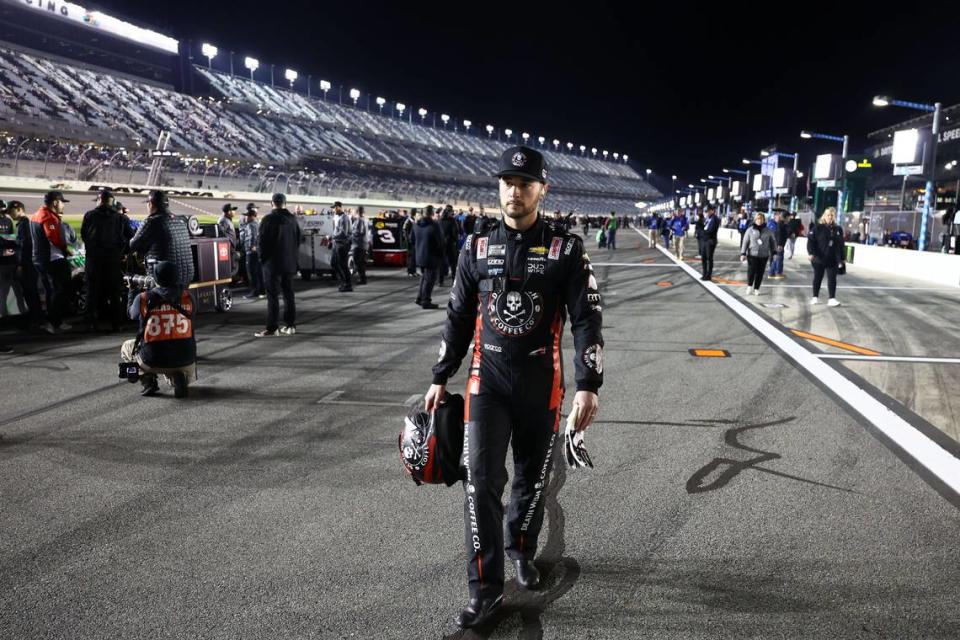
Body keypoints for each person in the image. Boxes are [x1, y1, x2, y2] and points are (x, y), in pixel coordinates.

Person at [424, 145, 603, 629]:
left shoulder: (567, 249)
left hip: (542, 382)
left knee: (531, 478)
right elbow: (458, 317)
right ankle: (484, 590)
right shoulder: (475, 248)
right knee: (480, 480)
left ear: (542, 189)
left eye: (525, 184)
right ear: (498, 188)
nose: (514, 192)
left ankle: (521, 548)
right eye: (507, 183)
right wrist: (441, 376)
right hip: (488, 381)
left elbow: (586, 319)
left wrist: (588, 384)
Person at [120, 260, 195, 398]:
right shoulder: (188, 297)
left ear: (155, 277)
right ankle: (177, 378)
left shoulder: (143, 298)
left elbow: (131, 314)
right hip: (187, 359)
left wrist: (131, 290)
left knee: (126, 347)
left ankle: (147, 381)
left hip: (152, 360)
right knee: (172, 349)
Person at [81, 189, 133, 332]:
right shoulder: (120, 218)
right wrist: (122, 251)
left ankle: (90, 323)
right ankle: (117, 324)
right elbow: (131, 237)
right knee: (114, 293)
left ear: (99, 200)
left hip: (93, 260)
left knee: (91, 292)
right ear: (112, 202)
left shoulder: (89, 216)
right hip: (113, 260)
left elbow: (84, 235)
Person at [255, 193, 301, 336]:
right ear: (285, 203)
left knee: (273, 296)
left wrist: (262, 259)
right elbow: (298, 239)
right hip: (289, 262)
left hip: (272, 263)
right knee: (289, 294)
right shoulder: (293, 219)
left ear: (272, 203)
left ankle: (272, 327)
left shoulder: (268, 219)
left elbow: (261, 242)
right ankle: (290, 325)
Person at [129, 190, 195, 287]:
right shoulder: (180, 221)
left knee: (132, 283)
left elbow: (133, 245)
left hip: (163, 280)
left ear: (151, 204)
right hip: (186, 278)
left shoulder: (151, 221)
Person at [30, 190, 74, 332]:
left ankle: (50, 322)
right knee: (57, 291)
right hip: (51, 259)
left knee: (51, 291)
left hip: (40, 258)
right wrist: (65, 249)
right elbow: (53, 237)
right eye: (62, 202)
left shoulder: (36, 215)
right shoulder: (48, 217)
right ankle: (55, 322)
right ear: (55, 202)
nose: (63, 206)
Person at [808, 207, 845, 306]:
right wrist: (811, 253)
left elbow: (841, 244)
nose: (830, 217)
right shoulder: (817, 228)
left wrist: (842, 258)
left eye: (832, 215)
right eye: (828, 215)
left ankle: (832, 299)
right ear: (824, 216)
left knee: (832, 278)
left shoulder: (838, 229)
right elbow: (811, 241)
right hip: (818, 258)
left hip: (832, 259)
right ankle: (815, 297)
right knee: (818, 277)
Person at [412, 205, 443, 309]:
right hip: (432, 256)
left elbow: (411, 239)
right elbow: (440, 242)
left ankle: (419, 298)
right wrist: (441, 256)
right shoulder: (434, 225)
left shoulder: (416, 225)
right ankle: (425, 301)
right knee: (429, 279)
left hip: (420, 255)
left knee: (424, 278)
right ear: (432, 213)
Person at [739, 212, 777, 296]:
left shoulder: (768, 231)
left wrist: (774, 253)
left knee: (760, 272)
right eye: (758, 219)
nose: (759, 220)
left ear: (764, 220)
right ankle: (749, 286)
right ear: (755, 219)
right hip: (752, 254)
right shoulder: (750, 230)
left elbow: (773, 242)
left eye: (761, 219)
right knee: (751, 271)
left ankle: (756, 288)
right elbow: (745, 242)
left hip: (764, 255)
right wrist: (743, 253)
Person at [0, 200, 26, 319]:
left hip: (12, 260)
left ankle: (23, 312)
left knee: (17, 289)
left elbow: (12, 239)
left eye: (4, 209)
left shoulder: (8, 221)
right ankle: (4, 313)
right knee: (3, 291)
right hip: (2, 262)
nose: (4, 212)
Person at [239, 207, 264, 299]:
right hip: (257, 251)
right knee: (258, 272)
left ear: (252, 216)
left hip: (251, 251)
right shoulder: (257, 223)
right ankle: (261, 290)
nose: (246, 218)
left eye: (247, 216)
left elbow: (252, 236)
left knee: (251, 272)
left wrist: (251, 246)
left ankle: (254, 291)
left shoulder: (250, 225)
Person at [330, 201, 353, 292]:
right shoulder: (337, 217)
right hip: (337, 243)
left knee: (343, 265)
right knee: (334, 263)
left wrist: (331, 236)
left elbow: (343, 233)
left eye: (334, 208)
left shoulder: (344, 218)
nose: (333, 209)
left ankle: (348, 284)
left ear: (339, 207)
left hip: (342, 244)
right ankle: (344, 282)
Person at [438, 205, 459, 287]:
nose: (453, 213)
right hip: (450, 245)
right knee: (453, 264)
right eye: (451, 212)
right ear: (449, 212)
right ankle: (454, 280)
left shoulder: (440, 221)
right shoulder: (452, 221)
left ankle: (440, 281)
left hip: (441, 245)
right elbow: (455, 233)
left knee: (441, 264)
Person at [700, 205, 719, 281]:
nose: (706, 213)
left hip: (710, 241)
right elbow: (704, 227)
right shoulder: (708, 219)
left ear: (712, 210)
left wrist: (702, 232)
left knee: (709, 258)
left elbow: (711, 231)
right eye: (705, 211)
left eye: (707, 211)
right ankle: (704, 273)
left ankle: (708, 275)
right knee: (703, 258)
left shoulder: (715, 219)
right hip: (705, 240)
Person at [351, 206, 368, 285]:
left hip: (359, 245)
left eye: (353, 212)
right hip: (360, 244)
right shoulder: (362, 220)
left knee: (358, 262)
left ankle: (362, 279)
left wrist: (350, 234)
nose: (352, 213)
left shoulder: (359, 221)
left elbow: (359, 232)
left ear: (357, 212)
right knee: (360, 262)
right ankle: (362, 278)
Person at [767, 211, 787, 279]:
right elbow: (778, 235)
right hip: (774, 244)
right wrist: (779, 244)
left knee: (775, 258)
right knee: (778, 258)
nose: (779, 217)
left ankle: (772, 272)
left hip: (775, 243)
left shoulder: (778, 224)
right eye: (778, 216)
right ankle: (777, 272)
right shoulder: (775, 224)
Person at [402, 209, 417, 277]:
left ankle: (414, 271)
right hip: (410, 242)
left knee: (414, 257)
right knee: (410, 257)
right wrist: (407, 240)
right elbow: (404, 230)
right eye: (413, 212)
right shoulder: (408, 220)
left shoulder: (413, 220)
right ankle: (410, 271)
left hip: (414, 241)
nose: (414, 213)